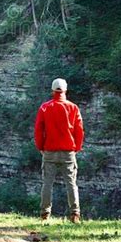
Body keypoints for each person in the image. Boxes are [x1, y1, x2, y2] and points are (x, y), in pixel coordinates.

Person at [34, 78, 84, 223]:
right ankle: (75, 214)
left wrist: (41, 147)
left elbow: (38, 130)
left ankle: (45, 214)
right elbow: (79, 130)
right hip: (68, 151)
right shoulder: (73, 107)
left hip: (49, 150)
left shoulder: (45, 107)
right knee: (71, 183)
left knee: (47, 183)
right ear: (65, 90)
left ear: (52, 91)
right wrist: (77, 148)